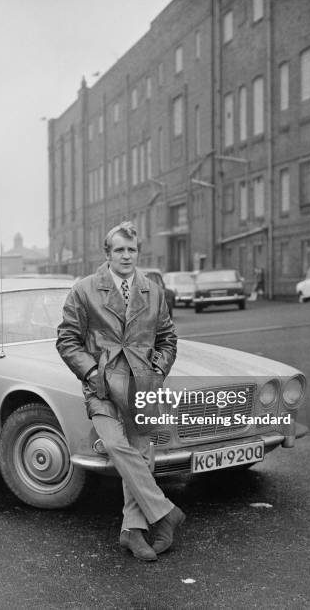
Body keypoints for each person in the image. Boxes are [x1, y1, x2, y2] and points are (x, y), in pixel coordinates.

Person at [56, 221, 185, 561]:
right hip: (102, 385)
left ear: (137, 252)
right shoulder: (84, 290)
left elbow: (167, 338)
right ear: (107, 254)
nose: (126, 256)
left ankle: (134, 531)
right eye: (119, 250)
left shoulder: (152, 290)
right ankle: (164, 511)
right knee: (115, 445)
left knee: (140, 455)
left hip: (143, 384)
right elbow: (67, 340)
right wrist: (90, 371)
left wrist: (158, 369)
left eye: (131, 250)